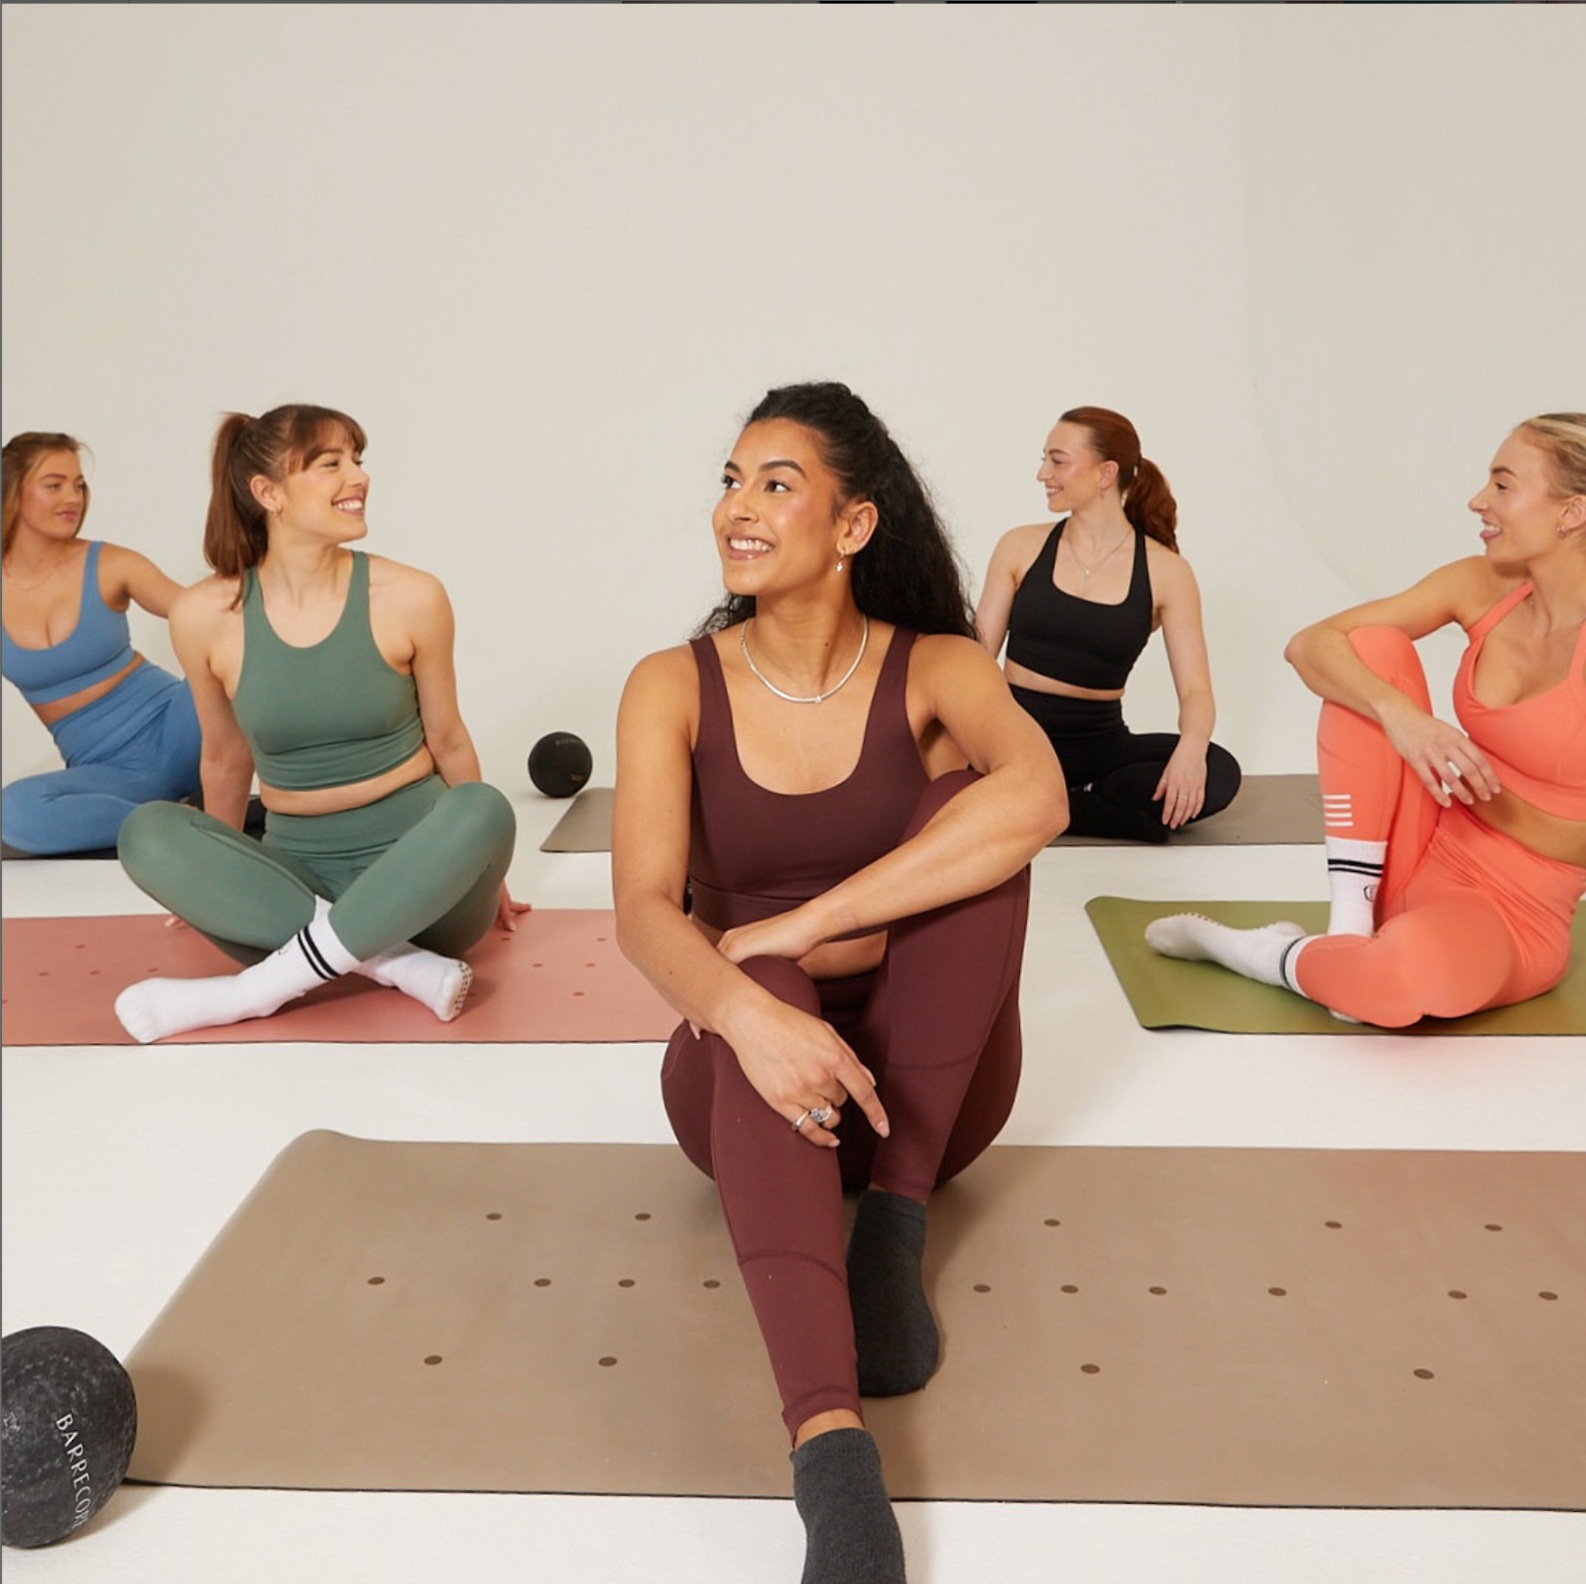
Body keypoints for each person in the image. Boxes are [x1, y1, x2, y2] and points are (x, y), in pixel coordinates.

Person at [613, 382, 1066, 1583]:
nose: (738, 507)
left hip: (935, 1096)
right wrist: (746, 1005)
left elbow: (1038, 795)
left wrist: (796, 926)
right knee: (776, 999)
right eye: (728, 480)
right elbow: (643, 915)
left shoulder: (937, 667)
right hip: (741, 1082)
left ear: (852, 526)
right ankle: (833, 1466)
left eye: (775, 482)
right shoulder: (671, 684)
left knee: (975, 807)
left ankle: (893, 1228)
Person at [1146, 414, 1586, 1028]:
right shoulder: (1482, 585)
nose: (1478, 501)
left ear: (1572, 513)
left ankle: (1264, 951)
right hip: (1411, 845)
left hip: (1511, 913)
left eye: (1503, 485)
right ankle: (1350, 922)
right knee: (1373, 649)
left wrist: (1479, 794)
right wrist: (1406, 719)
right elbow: (1312, 644)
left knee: (1401, 986)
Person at [112, 404, 520, 1043]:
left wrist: (486, 871)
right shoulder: (202, 616)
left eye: (357, 460)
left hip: (425, 888)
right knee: (145, 832)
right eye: (331, 464)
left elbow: (449, 739)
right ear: (267, 493)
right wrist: (214, 875)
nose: (357, 477)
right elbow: (224, 758)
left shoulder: (411, 596)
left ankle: (255, 991)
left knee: (484, 809)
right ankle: (396, 965)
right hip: (294, 884)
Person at [975, 406, 1241, 841]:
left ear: (1105, 473)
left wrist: (1191, 752)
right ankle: (1087, 808)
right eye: (1045, 458)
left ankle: (1055, 805)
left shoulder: (1166, 572)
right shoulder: (1020, 546)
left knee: (1220, 771)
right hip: (1013, 735)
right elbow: (978, 652)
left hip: (1100, 746)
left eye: (1057, 460)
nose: (1043, 473)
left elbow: (1196, 691)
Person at [2, 431, 202, 855]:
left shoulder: (111, 563)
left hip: (179, 730)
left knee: (236, 660)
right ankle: (174, 820)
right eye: (54, 485)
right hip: (107, 772)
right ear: (13, 492)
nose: (72, 497)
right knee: (13, 813)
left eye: (78, 485)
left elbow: (204, 615)